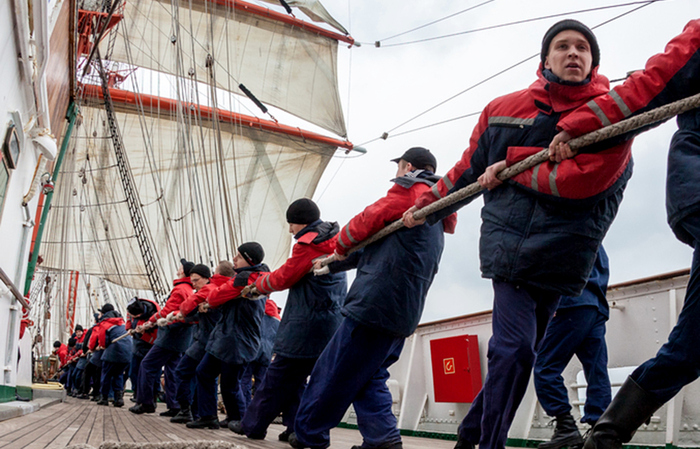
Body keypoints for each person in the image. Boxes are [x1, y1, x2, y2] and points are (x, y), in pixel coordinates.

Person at [402, 20, 635, 449]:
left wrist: (513, 164)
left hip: (563, 258)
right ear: (544, 59)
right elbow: (468, 169)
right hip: (511, 247)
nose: (573, 53)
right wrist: (427, 205)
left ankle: (469, 436)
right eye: (562, 46)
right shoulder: (503, 109)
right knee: (515, 351)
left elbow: (597, 182)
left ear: (594, 62)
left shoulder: (611, 114)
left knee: (518, 357)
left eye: (582, 48)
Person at [543, 19, 700, 449]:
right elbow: (647, 87)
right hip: (590, 304)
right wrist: (578, 126)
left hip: (582, 305)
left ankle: (601, 435)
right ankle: (598, 432)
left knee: (690, 346)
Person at [287, 148, 455, 449]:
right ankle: (382, 440)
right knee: (370, 374)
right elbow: (376, 245)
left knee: (331, 370)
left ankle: (308, 434)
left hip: (374, 303)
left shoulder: (413, 190)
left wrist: (338, 246)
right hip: (404, 311)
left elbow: (366, 221)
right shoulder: (436, 214)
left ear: (408, 166)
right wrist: (333, 264)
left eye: (399, 167)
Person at [228, 199, 347, 442]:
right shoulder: (334, 240)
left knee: (277, 377)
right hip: (330, 324)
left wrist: (259, 284)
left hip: (305, 324)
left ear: (300, 222)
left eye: (291, 224)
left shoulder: (308, 244)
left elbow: (284, 277)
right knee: (307, 381)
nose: (290, 230)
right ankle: (297, 428)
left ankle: (253, 426)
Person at [534, 247, 611, 449]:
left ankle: (566, 426)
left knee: (545, 367)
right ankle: (602, 433)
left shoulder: (565, 232)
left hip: (570, 303)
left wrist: (549, 302)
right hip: (596, 306)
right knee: (596, 371)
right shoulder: (596, 238)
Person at [186, 243, 269, 430]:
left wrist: (211, 300)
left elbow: (216, 296)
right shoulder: (255, 278)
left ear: (249, 260)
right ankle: (212, 416)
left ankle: (241, 420)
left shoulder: (245, 279)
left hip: (236, 340)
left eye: (238, 256)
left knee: (229, 384)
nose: (234, 259)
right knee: (205, 372)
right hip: (228, 339)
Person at [129, 259, 195, 415]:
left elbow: (167, 311)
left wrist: (149, 322)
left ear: (183, 271)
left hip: (170, 337)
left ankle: (146, 403)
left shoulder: (179, 289)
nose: (178, 268)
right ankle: (175, 405)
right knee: (172, 370)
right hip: (182, 338)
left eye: (180, 267)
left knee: (147, 365)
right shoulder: (189, 290)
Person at [170, 261, 230, 424]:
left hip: (205, 341)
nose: (194, 284)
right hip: (211, 341)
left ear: (207, 278)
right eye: (192, 281)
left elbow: (188, 308)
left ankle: (187, 411)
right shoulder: (216, 292)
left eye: (196, 280)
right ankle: (201, 414)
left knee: (182, 371)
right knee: (204, 375)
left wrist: (189, 310)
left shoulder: (209, 290)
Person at [238, 296, 281, 416]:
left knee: (244, 381)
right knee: (262, 384)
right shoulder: (277, 317)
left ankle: (245, 411)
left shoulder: (256, 309)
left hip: (252, 350)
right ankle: (258, 413)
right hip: (267, 353)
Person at [88, 304, 131, 407]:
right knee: (118, 375)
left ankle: (104, 398)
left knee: (106, 375)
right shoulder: (121, 322)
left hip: (114, 352)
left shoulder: (105, 323)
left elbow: (103, 342)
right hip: (128, 352)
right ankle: (119, 398)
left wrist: (94, 348)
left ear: (103, 313)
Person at [125, 296, 160, 402]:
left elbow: (156, 338)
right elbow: (128, 316)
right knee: (133, 372)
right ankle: (137, 395)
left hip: (150, 347)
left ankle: (152, 397)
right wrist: (129, 328)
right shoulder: (133, 307)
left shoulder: (155, 317)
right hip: (137, 346)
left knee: (152, 373)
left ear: (139, 315)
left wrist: (142, 334)